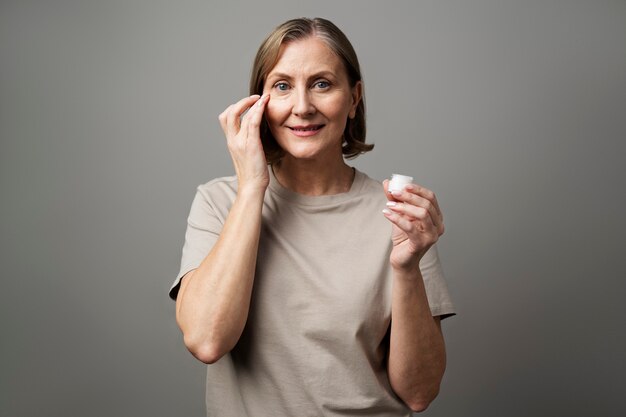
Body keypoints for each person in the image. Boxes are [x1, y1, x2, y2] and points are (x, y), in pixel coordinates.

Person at [169, 17, 455, 416]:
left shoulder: (400, 214)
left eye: (322, 83)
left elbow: (419, 392)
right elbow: (206, 341)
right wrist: (252, 186)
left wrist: (407, 269)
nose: (302, 107)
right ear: (259, 103)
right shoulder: (219, 202)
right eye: (282, 86)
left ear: (354, 98)